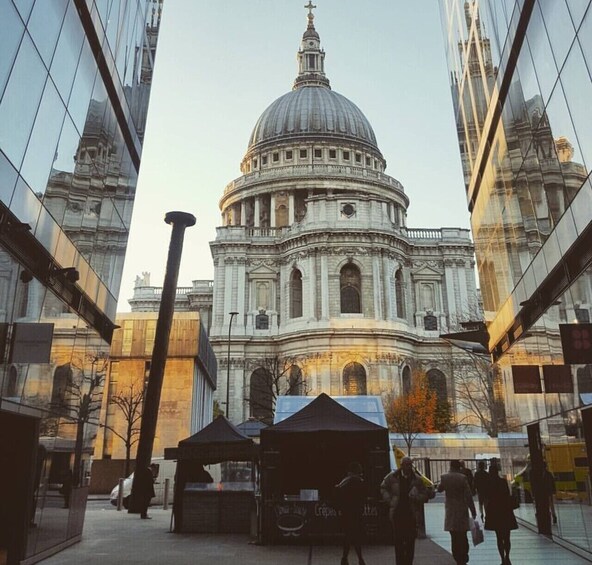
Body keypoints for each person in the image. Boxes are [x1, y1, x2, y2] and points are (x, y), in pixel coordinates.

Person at [380, 456, 428, 565]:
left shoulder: (417, 479)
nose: (409, 467)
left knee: (410, 541)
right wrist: (389, 500)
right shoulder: (392, 477)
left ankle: (408, 562)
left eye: (410, 465)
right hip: (398, 513)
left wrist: (417, 497)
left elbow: (424, 493)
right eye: (406, 465)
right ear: (401, 466)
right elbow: (383, 487)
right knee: (399, 542)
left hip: (411, 514)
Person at [437, 460, 477, 565]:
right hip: (461, 509)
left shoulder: (444, 477)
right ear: (459, 467)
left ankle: (457, 557)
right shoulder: (462, 478)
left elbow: (439, 489)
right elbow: (468, 496)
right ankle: (464, 554)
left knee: (454, 536)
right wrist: (473, 510)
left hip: (450, 510)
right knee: (463, 534)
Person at [484, 460, 517, 565]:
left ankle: (502, 558)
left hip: (495, 512)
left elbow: (487, 497)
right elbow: (507, 494)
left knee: (499, 537)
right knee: (507, 536)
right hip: (505, 511)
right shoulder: (503, 482)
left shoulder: (488, 483)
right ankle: (508, 556)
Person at [335, 462, 366, 565]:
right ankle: (360, 559)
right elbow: (363, 498)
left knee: (347, 536)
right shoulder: (360, 482)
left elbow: (338, 495)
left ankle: (344, 558)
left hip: (346, 513)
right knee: (357, 537)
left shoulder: (344, 482)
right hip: (356, 513)